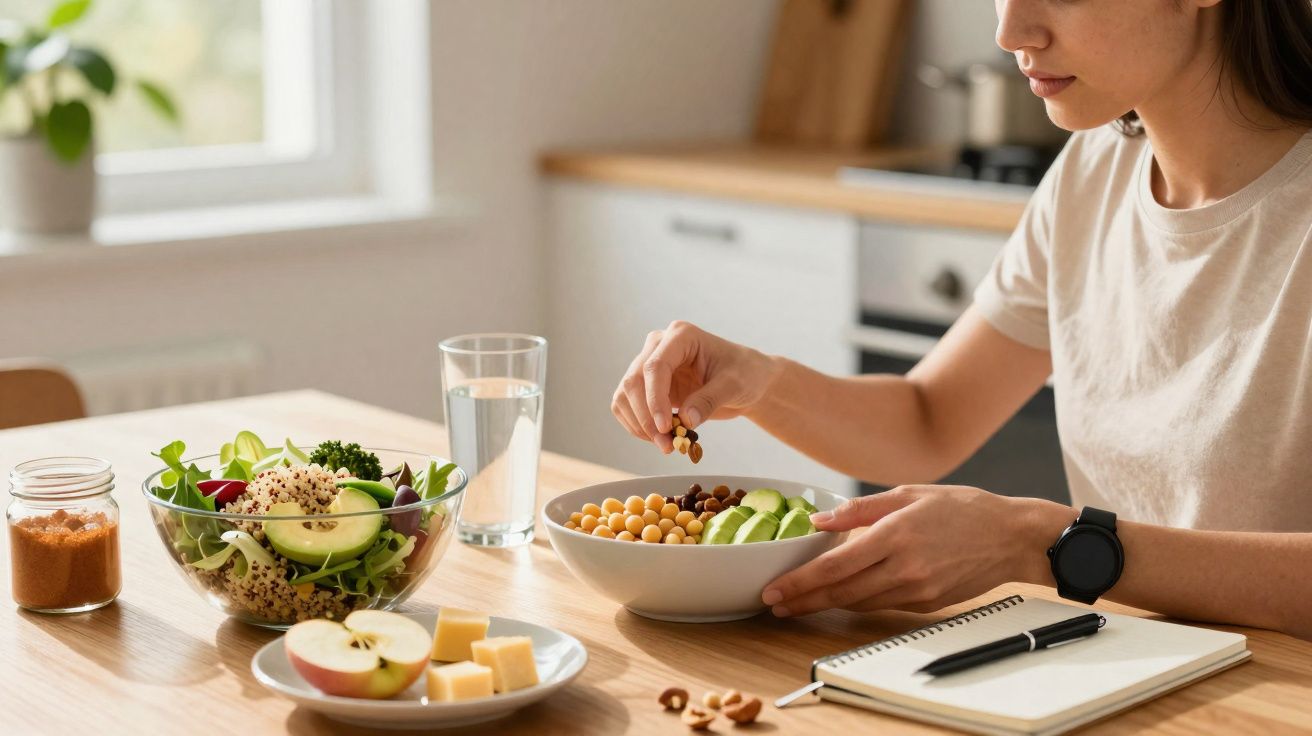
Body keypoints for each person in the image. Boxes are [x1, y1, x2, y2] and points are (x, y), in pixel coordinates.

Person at [611, 0, 1312, 640]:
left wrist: (1043, 542)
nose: (1010, 33)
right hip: (1127, 659)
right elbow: (928, 417)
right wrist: (758, 381)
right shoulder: (1095, 168)